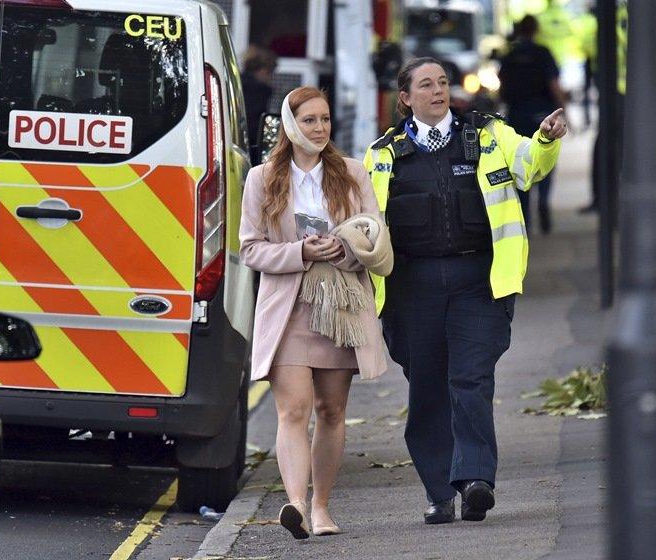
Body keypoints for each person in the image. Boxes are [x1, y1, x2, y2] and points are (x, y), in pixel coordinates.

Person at [363, 57, 567, 525]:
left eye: (442, 83)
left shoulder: (489, 134)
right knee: (429, 389)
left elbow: (529, 165)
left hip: (479, 280)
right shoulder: (384, 153)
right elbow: (364, 218)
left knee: (471, 379)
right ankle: (439, 493)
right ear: (406, 99)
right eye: (426, 85)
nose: (438, 91)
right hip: (411, 288)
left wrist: (546, 139)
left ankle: (476, 480)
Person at [239, 86, 391, 539]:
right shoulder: (262, 178)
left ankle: (323, 507)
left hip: (340, 306)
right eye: (309, 120)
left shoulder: (351, 172)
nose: (320, 128)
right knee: (293, 410)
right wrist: (300, 251)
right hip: (289, 308)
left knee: (331, 410)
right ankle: (297, 506)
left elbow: (374, 234)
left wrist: (343, 250)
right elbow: (250, 249)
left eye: (325, 119)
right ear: (290, 124)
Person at [498, 14, 567, 234]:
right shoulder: (542, 53)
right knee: (545, 157)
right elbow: (554, 84)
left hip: (517, 115)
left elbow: (501, 88)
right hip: (542, 115)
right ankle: (544, 201)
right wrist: (565, 110)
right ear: (535, 30)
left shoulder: (509, 56)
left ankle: (525, 216)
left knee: (521, 160)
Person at [241, 45, 277, 165]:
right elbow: (255, 126)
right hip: (249, 150)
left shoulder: (236, 84)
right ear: (263, 71)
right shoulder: (259, 91)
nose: (270, 78)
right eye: (270, 73)